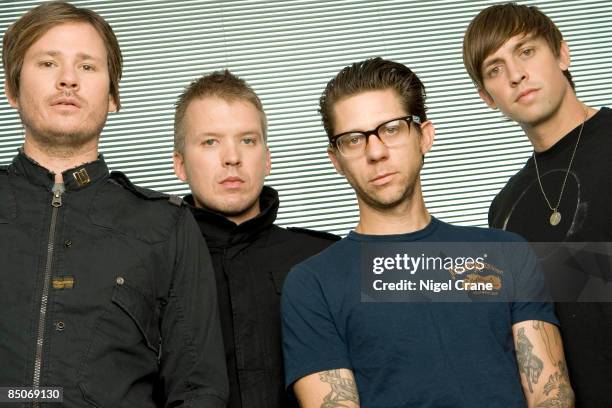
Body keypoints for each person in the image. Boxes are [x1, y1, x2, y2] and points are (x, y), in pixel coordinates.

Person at [281, 57, 573, 407]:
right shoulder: (312, 285)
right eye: (354, 139)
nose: (376, 151)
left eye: (391, 128)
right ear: (336, 159)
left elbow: (550, 393)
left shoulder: (504, 253)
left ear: (424, 136)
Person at [0, 2, 228, 407]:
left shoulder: (166, 226)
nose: (68, 79)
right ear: (12, 89)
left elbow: (198, 390)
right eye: (48, 63)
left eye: (87, 67)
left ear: (113, 97)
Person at [463, 3, 612, 406]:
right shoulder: (505, 210)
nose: (515, 75)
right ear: (486, 96)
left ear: (562, 54)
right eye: (495, 69)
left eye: (526, 51)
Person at [172, 69, 339, 408]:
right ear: (180, 165)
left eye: (247, 140)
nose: (232, 157)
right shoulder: (154, 268)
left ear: (267, 159)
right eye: (210, 141)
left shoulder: (326, 258)